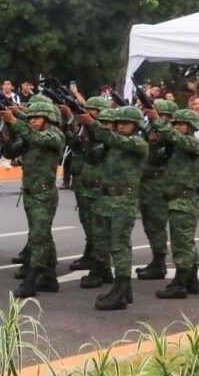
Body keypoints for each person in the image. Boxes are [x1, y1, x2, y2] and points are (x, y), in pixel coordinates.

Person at [75, 105, 148, 311]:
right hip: (106, 199)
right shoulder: (113, 144)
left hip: (123, 200)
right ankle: (124, 290)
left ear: (136, 125)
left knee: (119, 245)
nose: (121, 126)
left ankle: (121, 287)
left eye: (126, 123)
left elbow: (113, 139)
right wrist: (89, 138)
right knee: (104, 242)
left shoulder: (137, 143)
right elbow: (91, 157)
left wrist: (92, 123)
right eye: (118, 123)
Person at [0, 101, 65, 297]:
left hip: (44, 194)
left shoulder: (54, 135)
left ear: (48, 119)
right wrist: (6, 137)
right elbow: (11, 152)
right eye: (30, 119)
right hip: (31, 193)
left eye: (36, 118)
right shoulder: (31, 136)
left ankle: (33, 277)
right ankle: (49, 276)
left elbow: (36, 137)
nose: (32, 122)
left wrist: (15, 120)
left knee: (38, 237)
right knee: (43, 235)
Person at [144, 107, 199, 299]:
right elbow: (153, 159)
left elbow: (176, 138)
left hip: (184, 200)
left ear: (191, 126)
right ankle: (192, 280)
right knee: (185, 242)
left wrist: (157, 120)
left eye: (181, 124)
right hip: (174, 200)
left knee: (181, 244)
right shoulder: (176, 147)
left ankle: (179, 283)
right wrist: (154, 144)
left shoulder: (193, 144)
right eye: (175, 123)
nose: (176, 127)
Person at [66, 97, 109, 280]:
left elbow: (95, 153)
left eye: (93, 110)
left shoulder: (104, 132)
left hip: (97, 185)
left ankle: (101, 264)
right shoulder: (86, 128)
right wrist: (72, 124)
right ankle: (91, 254)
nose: (89, 112)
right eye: (88, 109)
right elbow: (73, 144)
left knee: (98, 227)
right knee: (87, 221)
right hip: (83, 180)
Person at [135, 99, 179, 280]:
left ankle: (160, 263)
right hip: (146, 183)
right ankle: (156, 260)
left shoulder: (171, 134)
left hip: (159, 184)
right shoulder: (150, 130)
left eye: (163, 116)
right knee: (149, 223)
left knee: (156, 224)